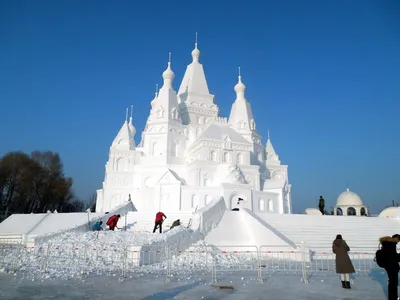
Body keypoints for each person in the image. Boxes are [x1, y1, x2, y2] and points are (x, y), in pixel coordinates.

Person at [379, 234, 400, 300]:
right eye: (398, 240)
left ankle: (392, 297)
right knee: (393, 283)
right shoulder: (391, 245)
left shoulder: (386, 244)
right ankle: (393, 297)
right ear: (396, 238)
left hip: (388, 265)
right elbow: (394, 257)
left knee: (392, 282)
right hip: (392, 266)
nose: (398, 242)